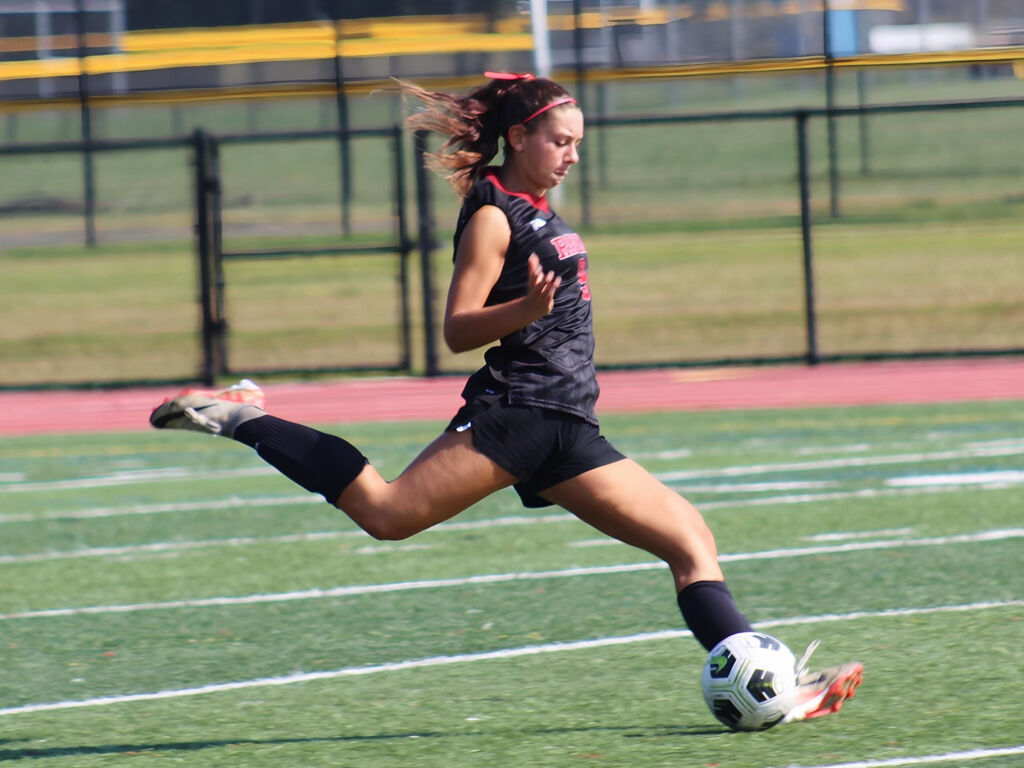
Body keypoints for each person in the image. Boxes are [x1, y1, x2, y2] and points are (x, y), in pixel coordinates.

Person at [150, 71, 861, 725]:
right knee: (387, 514)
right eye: (559, 140)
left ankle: (778, 689)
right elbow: (457, 328)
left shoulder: (541, 210)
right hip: (518, 414)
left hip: (569, 423)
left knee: (689, 541)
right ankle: (243, 414)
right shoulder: (494, 215)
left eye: (579, 143)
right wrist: (520, 313)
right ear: (518, 137)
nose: (571, 155)